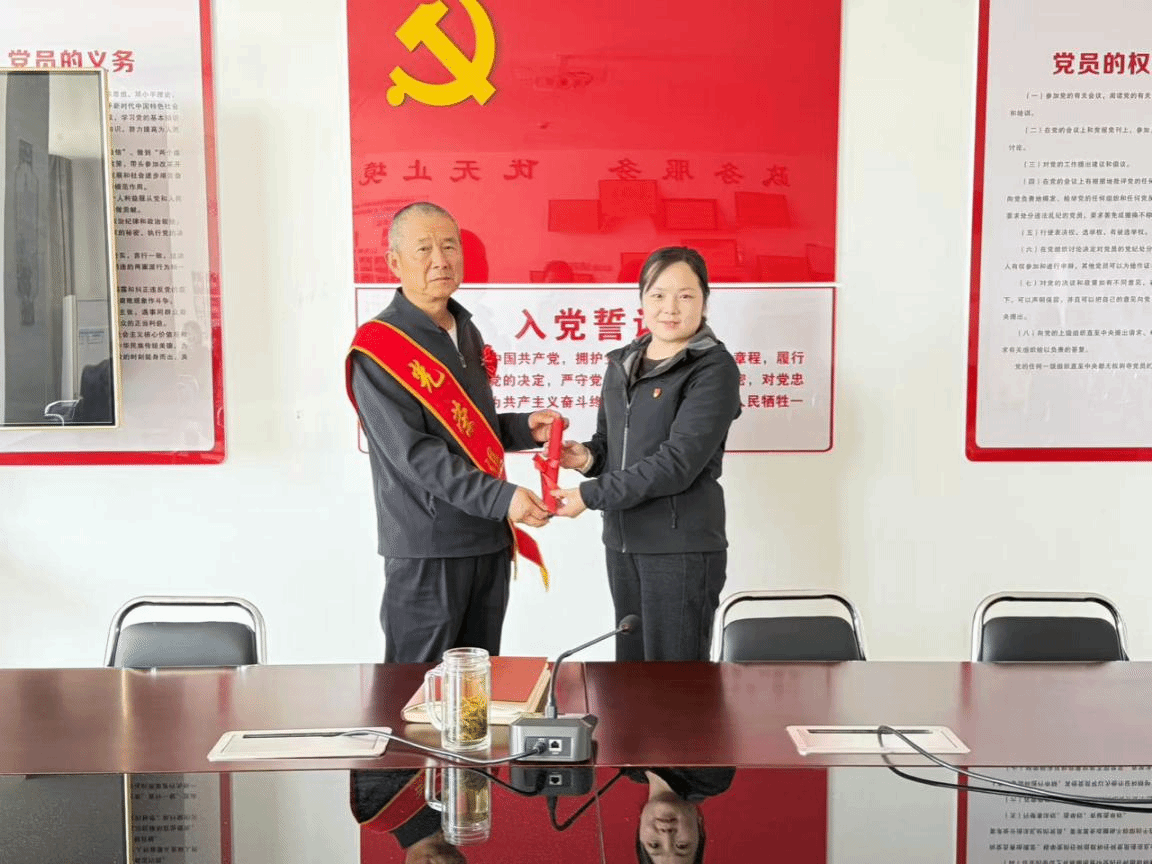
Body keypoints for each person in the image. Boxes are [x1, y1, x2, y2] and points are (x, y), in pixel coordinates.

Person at [346, 201, 562, 663]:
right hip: (428, 547)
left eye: (449, 247)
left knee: (478, 681)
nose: (440, 260)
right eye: (423, 249)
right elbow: (416, 455)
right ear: (394, 262)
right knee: (417, 687)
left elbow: (466, 430)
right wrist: (503, 497)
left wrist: (523, 428)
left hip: (487, 537)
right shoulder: (379, 348)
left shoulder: (464, 330)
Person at [553, 247, 741, 661]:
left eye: (685, 296)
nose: (670, 308)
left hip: (680, 549)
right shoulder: (623, 363)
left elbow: (677, 465)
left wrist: (590, 495)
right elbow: (611, 445)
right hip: (623, 544)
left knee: (673, 682)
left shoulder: (713, 369)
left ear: (705, 301)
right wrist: (586, 458)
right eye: (658, 295)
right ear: (641, 300)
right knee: (630, 675)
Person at [627, 766, 736, 864]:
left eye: (654, 845)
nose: (667, 835)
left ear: (640, 832)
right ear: (699, 827)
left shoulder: (629, 768)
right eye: (682, 846)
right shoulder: (713, 777)